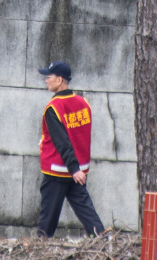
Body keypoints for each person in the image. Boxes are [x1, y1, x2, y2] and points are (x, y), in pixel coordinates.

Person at [36, 60, 105, 237]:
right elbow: (78, 135)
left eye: (49, 77)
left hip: (58, 170)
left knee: (47, 220)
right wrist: (76, 169)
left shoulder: (53, 108)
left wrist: (72, 168)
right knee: (87, 212)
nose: (46, 80)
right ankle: (103, 239)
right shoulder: (83, 103)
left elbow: (62, 141)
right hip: (79, 171)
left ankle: (41, 246)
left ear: (59, 80)